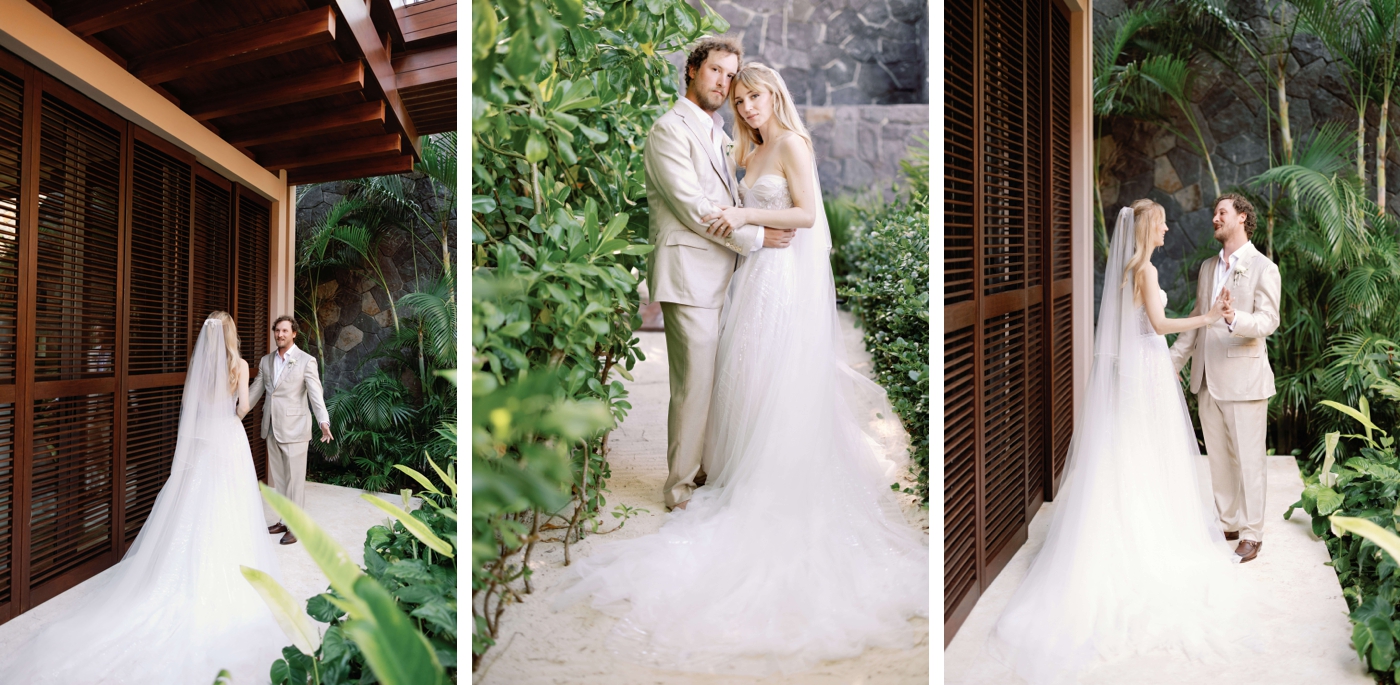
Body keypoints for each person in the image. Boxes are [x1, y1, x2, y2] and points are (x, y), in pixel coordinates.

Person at [553, 60, 928, 676]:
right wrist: (749, 224)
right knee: (742, 374)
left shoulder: (790, 143)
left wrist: (752, 217)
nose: (747, 104)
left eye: (755, 94)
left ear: (775, 94)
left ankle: (760, 474)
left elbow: (806, 216)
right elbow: (708, 200)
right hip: (749, 275)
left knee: (774, 372)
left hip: (779, 274)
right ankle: (723, 469)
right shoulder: (740, 148)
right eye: (740, 95)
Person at [989, 200, 1257, 684]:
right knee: (1148, 458)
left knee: (1133, 457)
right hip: (1148, 371)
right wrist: (1209, 319)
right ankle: (1147, 535)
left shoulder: (1128, 273)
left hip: (1136, 373)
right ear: (1149, 228)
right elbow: (1159, 326)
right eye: (1163, 222)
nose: (1169, 227)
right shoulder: (1146, 272)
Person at [0, 313, 286, 683]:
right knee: (231, 503)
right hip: (228, 441)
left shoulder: (200, 365)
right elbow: (244, 408)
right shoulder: (241, 366)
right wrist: (232, 407)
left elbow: (191, 406)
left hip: (202, 441)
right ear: (232, 334)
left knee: (192, 503)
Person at [640, 35, 796, 512]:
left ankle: (707, 470)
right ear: (692, 70)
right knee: (693, 387)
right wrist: (757, 237)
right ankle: (680, 489)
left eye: (732, 75)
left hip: (730, 276)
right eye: (716, 71)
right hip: (690, 275)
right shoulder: (669, 130)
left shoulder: (723, 135)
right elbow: (693, 207)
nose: (724, 83)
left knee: (721, 379)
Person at [1169, 194, 1282, 563]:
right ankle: (1229, 522)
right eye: (1214, 213)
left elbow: (1268, 321)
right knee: (1218, 459)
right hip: (1206, 378)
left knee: (1249, 460)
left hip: (1244, 376)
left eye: (1222, 212)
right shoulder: (1206, 268)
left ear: (1242, 218)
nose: (1214, 217)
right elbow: (1198, 318)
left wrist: (1235, 318)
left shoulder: (1264, 267)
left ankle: (1252, 533)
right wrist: (1171, 363)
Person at [247, 315, 332, 545]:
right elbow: (256, 391)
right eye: (277, 331)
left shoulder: (306, 361)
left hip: (295, 429)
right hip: (272, 427)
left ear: (294, 333)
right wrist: (238, 411)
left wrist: (323, 421)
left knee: (295, 480)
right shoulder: (266, 361)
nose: (280, 334)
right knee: (281, 480)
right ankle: (284, 520)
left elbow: (316, 394)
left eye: (285, 331)